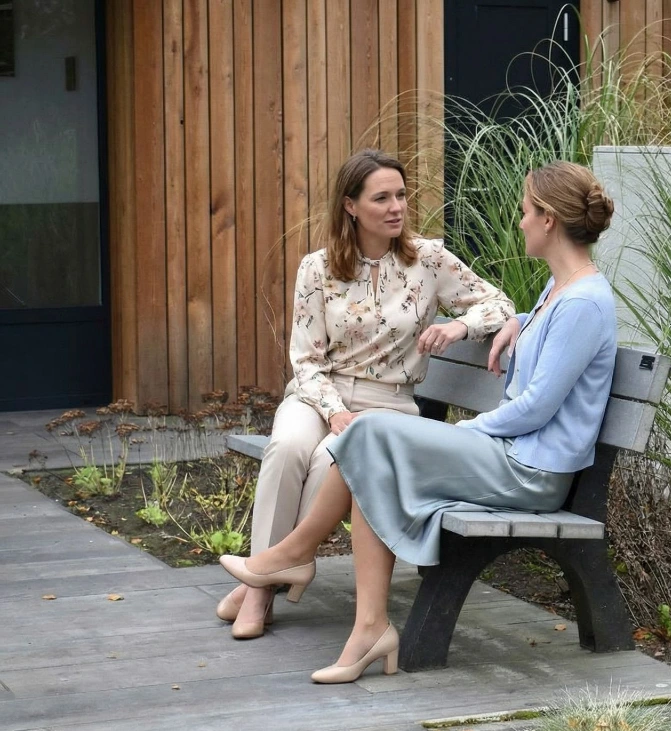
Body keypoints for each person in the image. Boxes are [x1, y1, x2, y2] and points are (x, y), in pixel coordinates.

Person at [220, 160, 616, 683]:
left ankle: (297, 557)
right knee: (364, 443)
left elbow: (537, 408)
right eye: (381, 198)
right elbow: (532, 347)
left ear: (548, 221)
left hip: (530, 470)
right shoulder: (557, 293)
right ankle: (366, 623)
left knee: (371, 437)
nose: (519, 222)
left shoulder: (582, 301)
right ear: (351, 206)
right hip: (512, 455)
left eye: (524, 212)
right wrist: (517, 320)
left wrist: (459, 432)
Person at [216, 149, 514, 638]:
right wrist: (333, 410)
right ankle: (263, 584)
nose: (396, 206)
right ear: (351, 206)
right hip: (318, 394)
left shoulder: (430, 259)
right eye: (381, 198)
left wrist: (459, 326)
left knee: (327, 464)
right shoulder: (317, 268)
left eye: (400, 195)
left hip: (390, 402)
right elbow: (306, 359)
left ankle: (259, 587)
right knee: (288, 447)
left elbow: (500, 304)